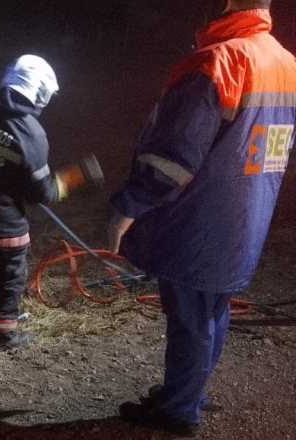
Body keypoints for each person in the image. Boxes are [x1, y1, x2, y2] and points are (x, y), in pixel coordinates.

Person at [108, 1, 296, 436]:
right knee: (214, 309)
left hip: (200, 219)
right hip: (248, 216)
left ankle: (178, 411)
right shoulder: (285, 62)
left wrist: (129, 205)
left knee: (191, 316)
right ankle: (190, 391)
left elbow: (174, 154)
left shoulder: (219, 61)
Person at [0, 55, 101, 349]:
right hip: (0, 229)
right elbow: (39, 193)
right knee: (8, 280)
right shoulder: (31, 132)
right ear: (40, 93)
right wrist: (75, 178)